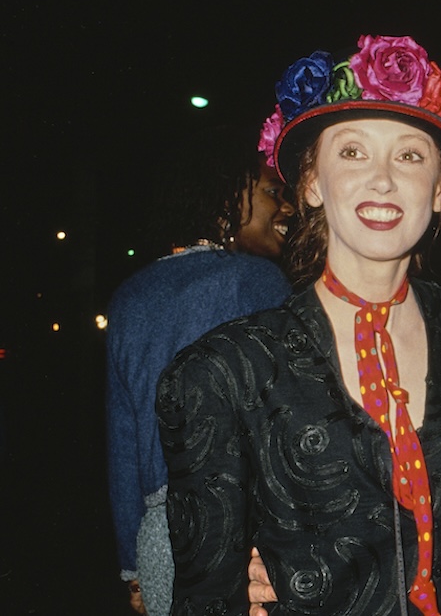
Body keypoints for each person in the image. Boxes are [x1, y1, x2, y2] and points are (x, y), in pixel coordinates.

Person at [158, 34, 441, 615]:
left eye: (410, 155)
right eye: (353, 152)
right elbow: (205, 598)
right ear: (311, 183)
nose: (382, 179)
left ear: (440, 190)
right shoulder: (222, 373)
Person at [106, 126, 294, 616]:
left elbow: (124, 444)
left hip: (161, 539)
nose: (287, 208)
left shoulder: (130, 297)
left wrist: (134, 572)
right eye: (272, 192)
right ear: (227, 201)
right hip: (245, 534)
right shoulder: (257, 283)